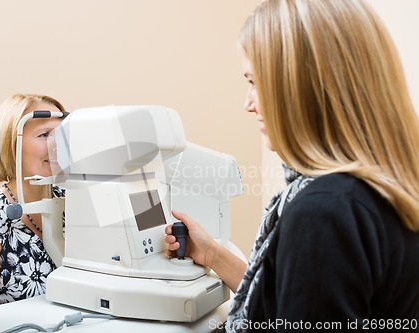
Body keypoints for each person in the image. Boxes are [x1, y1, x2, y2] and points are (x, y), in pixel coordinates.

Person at [165, 0, 419, 331]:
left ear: (301, 86)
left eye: (255, 82)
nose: (248, 104)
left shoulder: (325, 213)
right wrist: (212, 254)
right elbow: (295, 308)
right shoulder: (377, 187)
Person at [0, 93, 67, 307]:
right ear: (11, 144)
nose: (57, 145)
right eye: (44, 135)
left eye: (61, 135)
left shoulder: (74, 201)